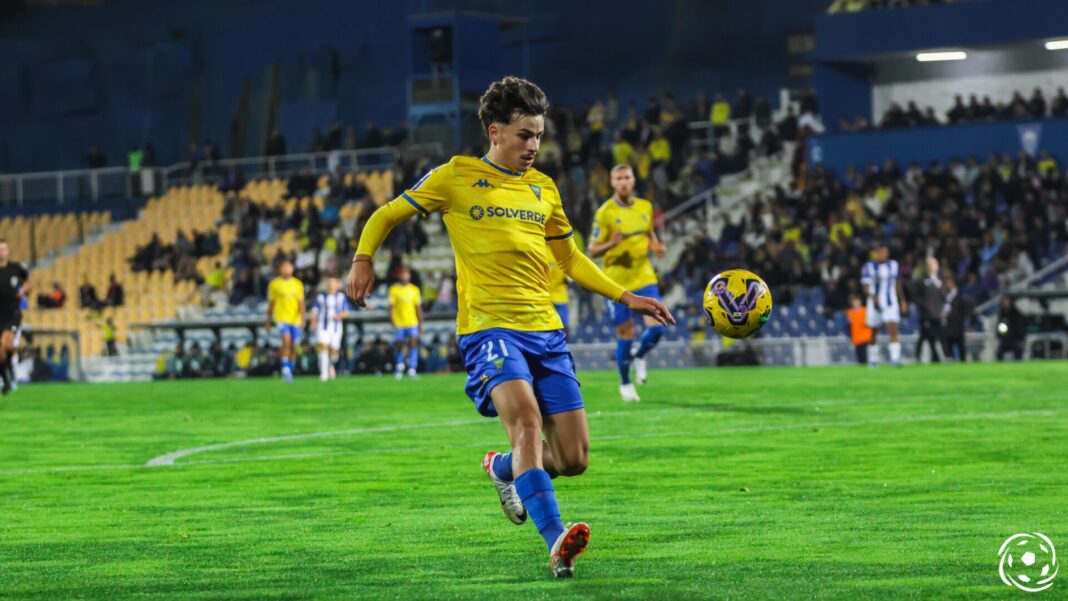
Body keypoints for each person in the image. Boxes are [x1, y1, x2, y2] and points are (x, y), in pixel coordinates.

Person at [347, 76, 673, 579]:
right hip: (488, 328)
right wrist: (363, 257)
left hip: (545, 330)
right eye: (525, 135)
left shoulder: (543, 188)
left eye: (540, 135)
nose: (534, 146)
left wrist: (628, 296)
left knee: (575, 457)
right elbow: (387, 213)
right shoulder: (455, 176)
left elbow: (571, 259)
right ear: (495, 132)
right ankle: (556, 541)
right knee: (525, 421)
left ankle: (503, 469)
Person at [587, 164, 668, 402]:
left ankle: (639, 356)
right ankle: (625, 383)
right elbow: (592, 250)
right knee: (626, 333)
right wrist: (611, 243)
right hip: (616, 283)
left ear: (633, 180)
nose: (623, 182)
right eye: (619, 178)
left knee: (657, 327)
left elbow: (649, 234)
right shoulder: (605, 213)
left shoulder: (645, 206)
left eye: (627, 177)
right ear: (612, 183)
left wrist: (656, 246)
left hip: (643, 276)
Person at [860, 242, 907, 368]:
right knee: (874, 332)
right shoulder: (868, 267)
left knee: (893, 328)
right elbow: (866, 286)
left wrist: (902, 300)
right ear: (876, 253)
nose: (884, 254)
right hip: (874, 302)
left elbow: (898, 283)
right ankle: (873, 359)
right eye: (881, 252)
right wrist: (874, 299)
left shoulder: (894, 265)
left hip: (890, 301)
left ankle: (895, 359)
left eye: (886, 252)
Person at [266, 260, 305, 382]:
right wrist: (268, 320)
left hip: (295, 319)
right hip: (281, 318)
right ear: (280, 269)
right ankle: (285, 369)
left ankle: (291, 368)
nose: (286, 269)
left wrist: (303, 318)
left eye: (289, 267)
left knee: (293, 345)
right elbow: (271, 303)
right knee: (286, 341)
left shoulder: (297, 284)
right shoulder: (274, 284)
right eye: (284, 267)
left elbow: (301, 303)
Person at [0, 240, 30, 395]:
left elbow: (28, 280)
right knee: (1, 351)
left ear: (8, 251)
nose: (2, 251)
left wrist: (23, 290)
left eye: (4, 248)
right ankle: (7, 379)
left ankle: (19, 354)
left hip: (12, 313)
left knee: (6, 343)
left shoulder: (16, 268)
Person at [311, 276, 350, 382]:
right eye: (329, 283)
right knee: (323, 347)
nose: (331, 285)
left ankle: (330, 365)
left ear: (337, 285)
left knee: (334, 353)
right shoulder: (321, 297)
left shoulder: (341, 297)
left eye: (333, 283)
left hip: (336, 328)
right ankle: (324, 374)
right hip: (322, 327)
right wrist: (313, 321)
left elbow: (346, 313)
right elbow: (314, 310)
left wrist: (338, 316)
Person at [389, 266, 423, 379]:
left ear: (409, 276)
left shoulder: (414, 289)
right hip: (399, 322)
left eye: (406, 274)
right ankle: (399, 365)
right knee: (399, 343)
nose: (404, 276)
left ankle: (412, 367)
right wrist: (392, 320)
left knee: (413, 342)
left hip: (412, 321)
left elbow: (418, 308)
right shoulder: (394, 289)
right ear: (399, 276)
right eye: (402, 274)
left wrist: (421, 322)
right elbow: (391, 307)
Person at [911, 257, 945, 363]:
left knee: (932, 336)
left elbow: (945, 296)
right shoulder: (922, 280)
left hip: (938, 314)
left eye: (936, 264)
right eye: (933, 264)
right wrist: (924, 306)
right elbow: (916, 296)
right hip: (926, 314)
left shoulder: (940, 279)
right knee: (926, 336)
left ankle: (935, 357)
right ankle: (924, 357)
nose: (935, 266)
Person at [940, 275, 973, 361]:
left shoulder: (959, 296)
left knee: (960, 345)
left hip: (957, 325)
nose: (947, 285)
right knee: (949, 346)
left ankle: (962, 361)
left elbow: (963, 310)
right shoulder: (947, 296)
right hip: (949, 326)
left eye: (949, 283)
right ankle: (950, 359)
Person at [995, 296, 1027, 361]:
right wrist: (1000, 335)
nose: (1005, 304)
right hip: (1005, 338)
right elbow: (999, 327)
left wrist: (1020, 338)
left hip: (1014, 339)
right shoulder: (1002, 314)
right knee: (999, 353)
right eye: (1004, 302)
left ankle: (1019, 367)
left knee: (1018, 352)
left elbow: (1021, 327)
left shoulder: (1017, 314)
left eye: (1007, 302)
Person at [845, 294, 872, 365]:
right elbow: (849, 325)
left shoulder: (866, 311)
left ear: (860, 301)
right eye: (854, 301)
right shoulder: (849, 312)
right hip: (856, 338)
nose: (855, 303)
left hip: (865, 337)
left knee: (865, 356)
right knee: (859, 357)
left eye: (857, 301)